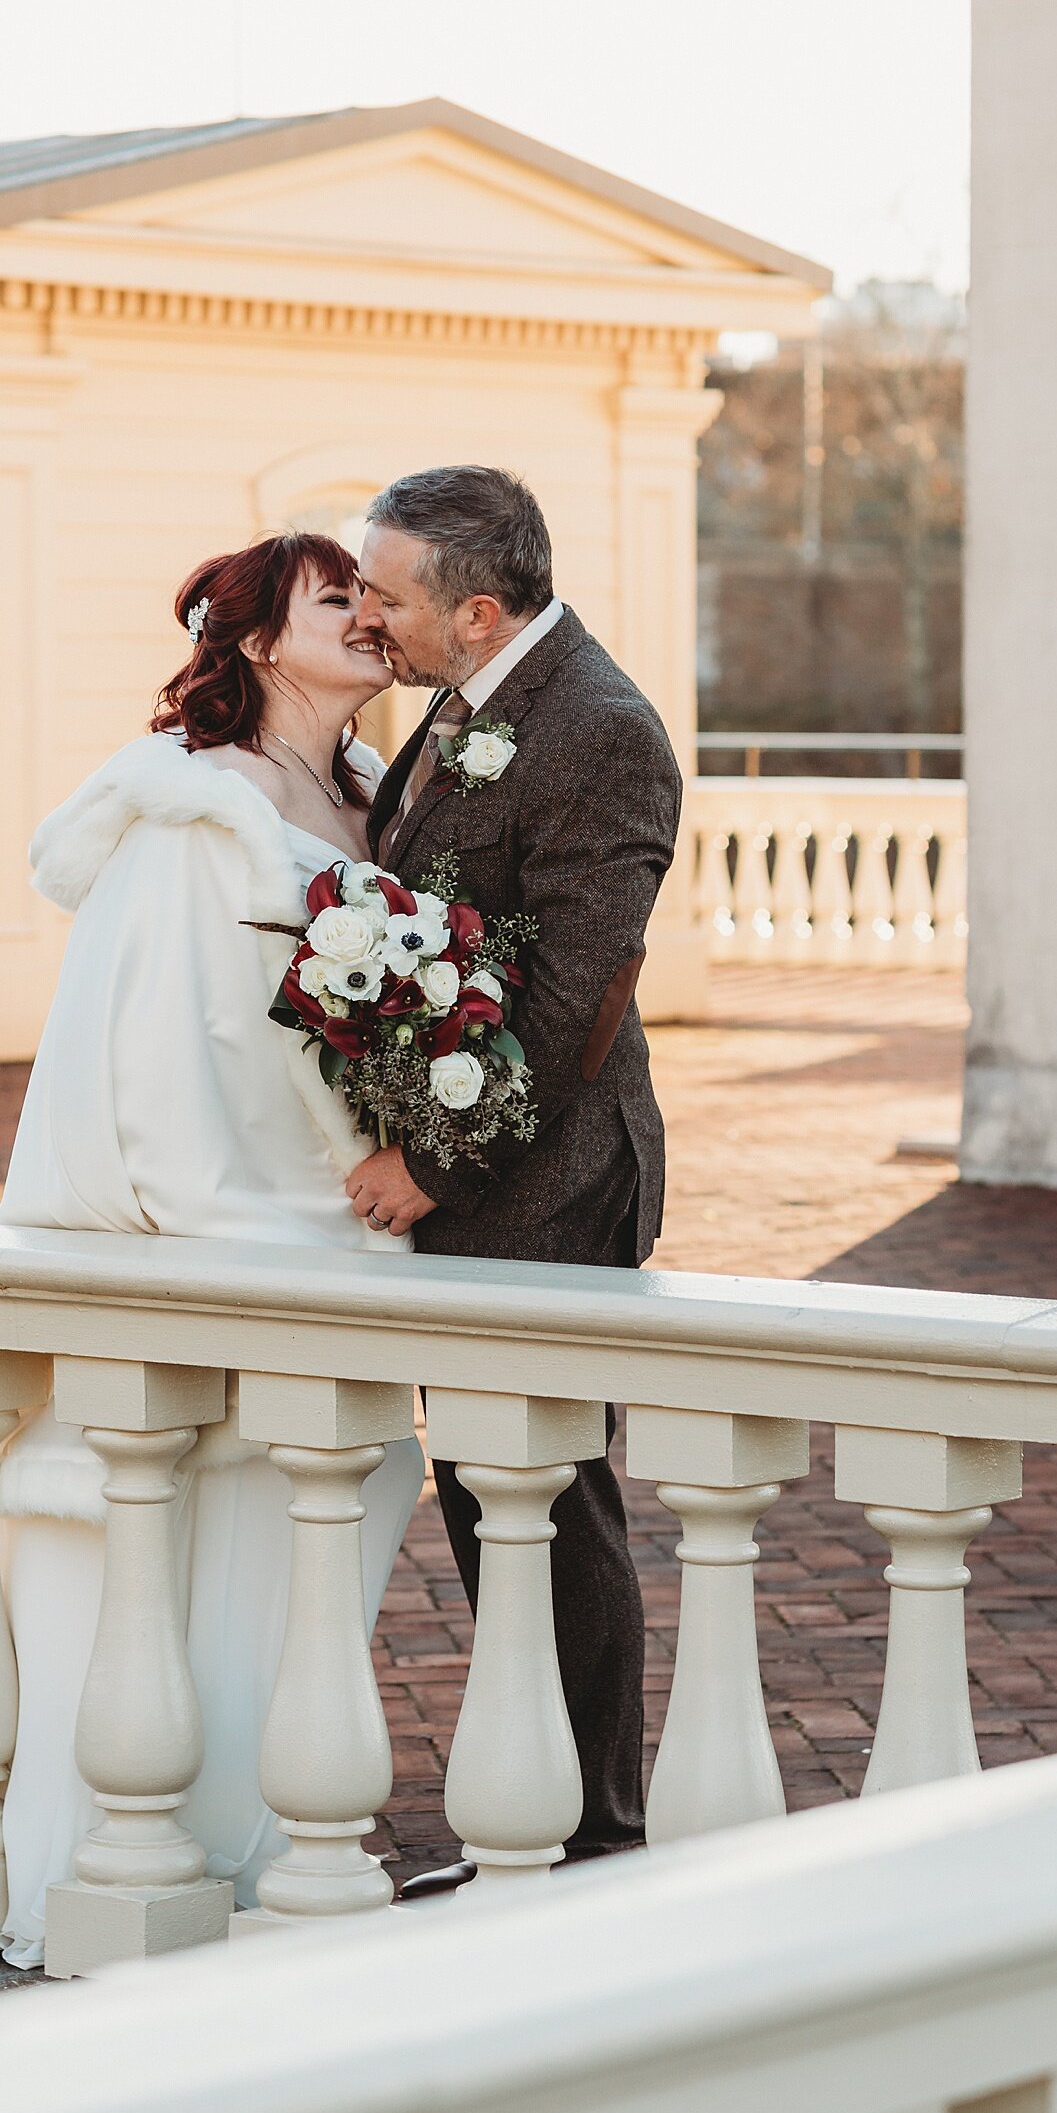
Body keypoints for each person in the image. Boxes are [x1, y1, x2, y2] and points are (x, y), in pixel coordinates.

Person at [0, 533, 424, 1966]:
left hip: (346, 1223)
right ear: (252, 641)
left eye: (375, 595)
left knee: (328, 1515)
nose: (369, 616)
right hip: (237, 1232)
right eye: (333, 599)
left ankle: (263, 1836)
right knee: (183, 1536)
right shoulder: (193, 812)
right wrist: (239, 1227)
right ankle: (145, 1860)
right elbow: (155, 1049)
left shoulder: (370, 794)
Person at [347, 465, 681, 1896]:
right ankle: (528, 1813)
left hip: (550, 1177)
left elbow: (574, 999)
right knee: (488, 1491)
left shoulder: (601, 731)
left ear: (477, 612)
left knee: (549, 1489)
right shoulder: (469, 696)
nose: (368, 615)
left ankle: (598, 1837)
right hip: (480, 1170)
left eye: (387, 593)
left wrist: (432, 1159)